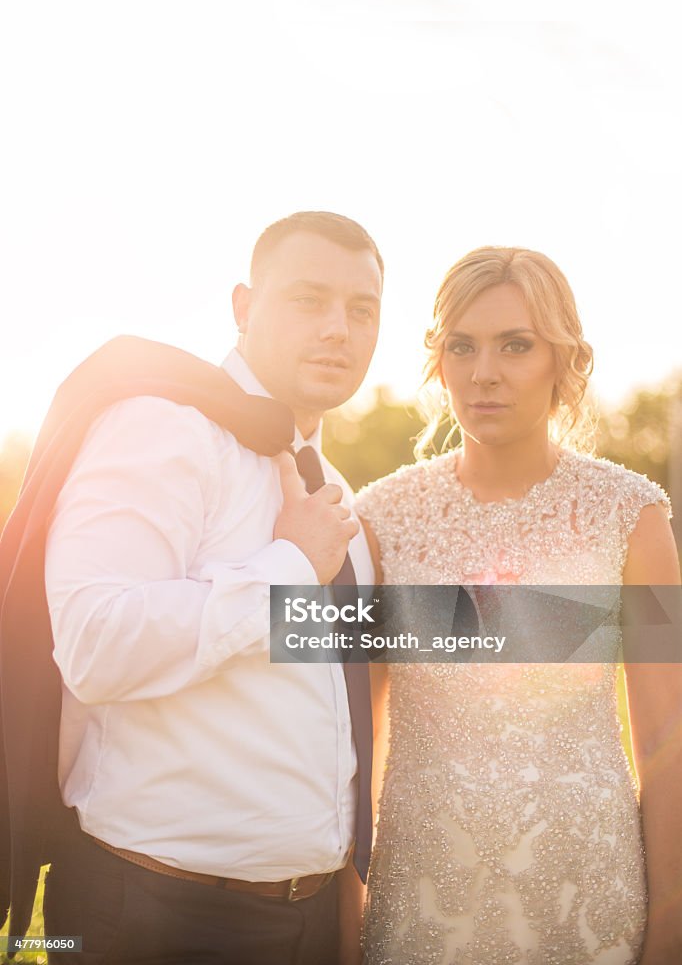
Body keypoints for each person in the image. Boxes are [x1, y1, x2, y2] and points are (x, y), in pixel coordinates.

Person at [40, 210, 383, 964]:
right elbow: (96, 643)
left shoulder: (335, 495)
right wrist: (289, 566)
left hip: (312, 921)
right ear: (242, 306)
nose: (339, 328)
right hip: (160, 916)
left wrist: (622, 623)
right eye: (309, 299)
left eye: (362, 309)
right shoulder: (163, 429)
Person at [356, 247, 682, 965]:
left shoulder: (633, 517)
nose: (484, 372)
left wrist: (671, 922)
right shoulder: (378, 520)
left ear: (564, 360)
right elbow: (355, 739)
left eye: (516, 344)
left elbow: (667, 737)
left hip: (589, 903)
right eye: (461, 346)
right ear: (437, 361)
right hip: (422, 902)